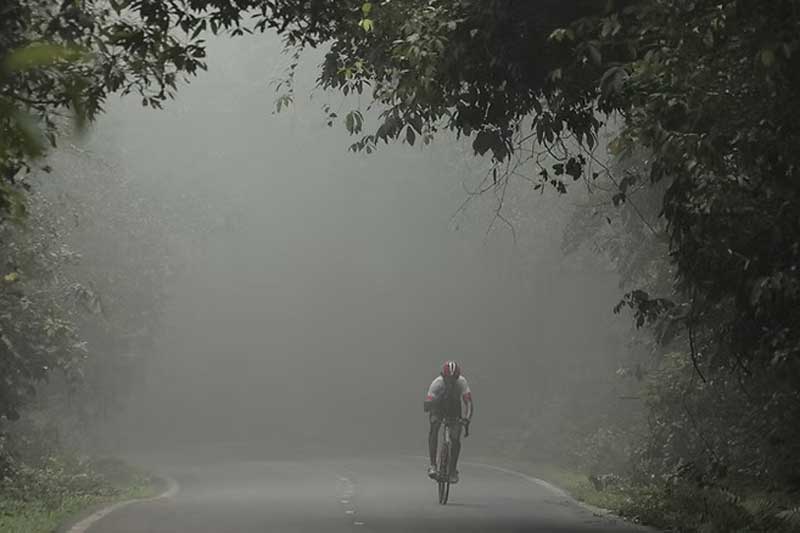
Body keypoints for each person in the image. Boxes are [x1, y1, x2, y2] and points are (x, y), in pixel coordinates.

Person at [424, 360, 473, 483]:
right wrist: (433, 414)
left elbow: (469, 403)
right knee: (434, 427)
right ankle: (433, 465)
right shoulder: (437, 383)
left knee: (455, 438)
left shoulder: (462, 382)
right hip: (438, 407)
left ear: (457, 377)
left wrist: (467, 419)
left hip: (454, 409)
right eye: (448, 379)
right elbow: (428, 405)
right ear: (443, 376)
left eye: (454, 379)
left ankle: (452, 470)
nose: (451, 382)